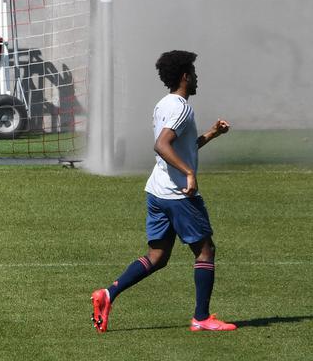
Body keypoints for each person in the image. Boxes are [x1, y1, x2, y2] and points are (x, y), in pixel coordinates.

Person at [92, 50, 235, 333]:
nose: (197, 78)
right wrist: (189, 173)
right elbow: (162, 145)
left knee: (158, 256)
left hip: (157, 190)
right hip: (177, 193)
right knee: (205, 250)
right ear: (185, 76)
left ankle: (108, 295)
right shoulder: (181, 107)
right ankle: (201, 318)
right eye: (194, 73)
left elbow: (180, 146)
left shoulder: (163, 104)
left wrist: (211, 133)